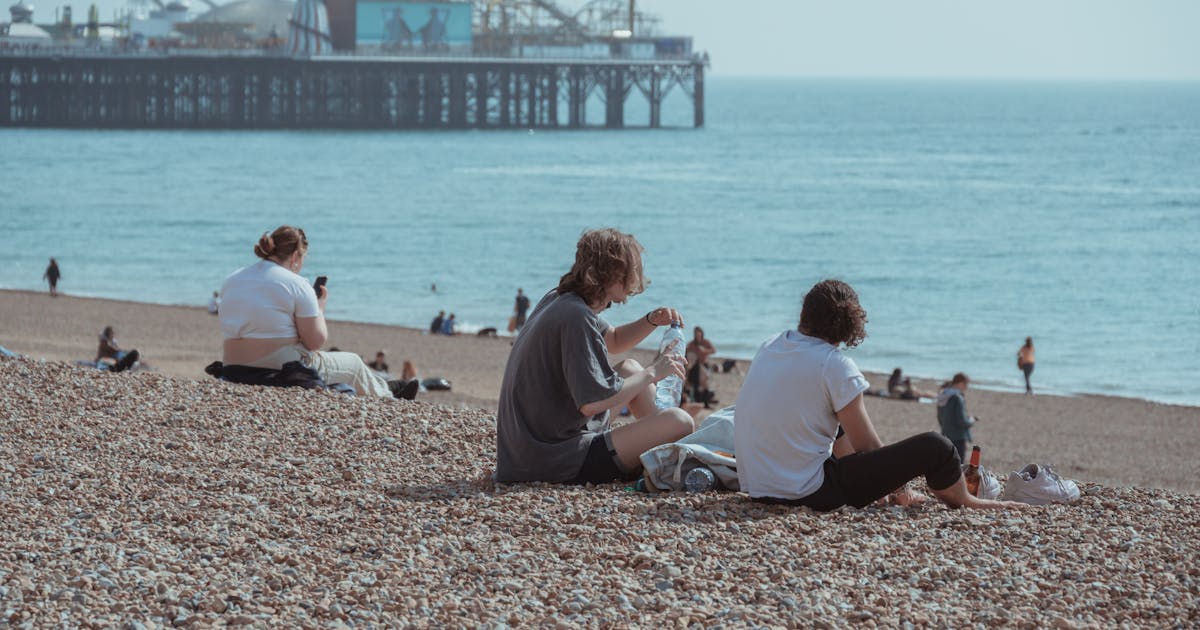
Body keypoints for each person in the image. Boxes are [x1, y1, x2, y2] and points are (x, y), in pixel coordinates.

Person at [734, 279, 1018, 511]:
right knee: (937, 446)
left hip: (760, 488)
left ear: (805, 313)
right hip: (808, 493)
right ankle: (967, 499)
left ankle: (888, 490)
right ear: (849, 323)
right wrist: (896, 483)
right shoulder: (833, 363)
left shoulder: (770, 345)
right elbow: (867, 445)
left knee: (831, 412)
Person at [495, 228, 695, 484]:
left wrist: (651, 321)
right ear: (612, 272)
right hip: (552, 460)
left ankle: (663, 452)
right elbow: (592, 403)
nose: (637, 277)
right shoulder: (576, 317)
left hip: (530, 451)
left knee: (631, 368)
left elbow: (614, 341)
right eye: (632, 269)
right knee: (680, 422)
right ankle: (668, 457)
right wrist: (654, 372)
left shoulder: (561, 300)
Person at [219, 225, 407, 399]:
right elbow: (314, 342)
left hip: (232, 365)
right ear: (295, 256)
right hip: (276, 366)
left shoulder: (233, 278)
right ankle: (388, 397)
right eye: (302, 259)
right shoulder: (297, 283)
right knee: (354, 363)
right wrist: (319, 309)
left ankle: (386, 387)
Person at [937, 373, 977, 461]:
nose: (966, 387)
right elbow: (962, 421)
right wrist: (971, 421)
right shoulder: (957, 398)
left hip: (945, 434)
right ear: (960, 383)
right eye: (966, 384)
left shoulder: (943, 395)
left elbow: (940, 418)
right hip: (958, 437)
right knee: (958, 465)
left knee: (946, 463)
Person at [685, 326, 717, 408]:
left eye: (699, 334)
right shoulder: (692, 344)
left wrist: (705, 351)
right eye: (696, 335)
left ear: (702, 334)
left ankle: (704, 401)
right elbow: (686, 351)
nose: (698, 336)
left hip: (704, 365)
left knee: (704, 383)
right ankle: (702, 401)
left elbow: (713, 350)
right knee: (700, 383)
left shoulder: (706, 342)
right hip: (695, 366)